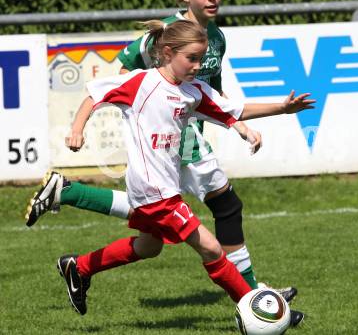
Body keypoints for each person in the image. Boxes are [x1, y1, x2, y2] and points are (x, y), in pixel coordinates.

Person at [27, 0, 289, 300]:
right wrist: (144, 111)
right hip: (176, 141)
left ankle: (73, 222)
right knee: (219, 214)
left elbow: (215, 95)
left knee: (151, 240)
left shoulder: (216, 39)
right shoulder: (166, 35)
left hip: (182, 136)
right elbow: (122, 74)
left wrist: (240, 125)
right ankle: (254, 299)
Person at [56, 20, 313, 324]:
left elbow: (234, 109)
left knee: (149, 246)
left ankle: (80, 267)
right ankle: (257, 311)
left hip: (163, 188)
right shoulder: (141, 83)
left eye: (200, 59)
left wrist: (281, 109)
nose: (196, 66)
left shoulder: (193, 92)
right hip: (156, 193)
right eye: (191, 58)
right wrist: (76, 129)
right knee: (211, 247)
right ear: (167, 52)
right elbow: (94, 95)